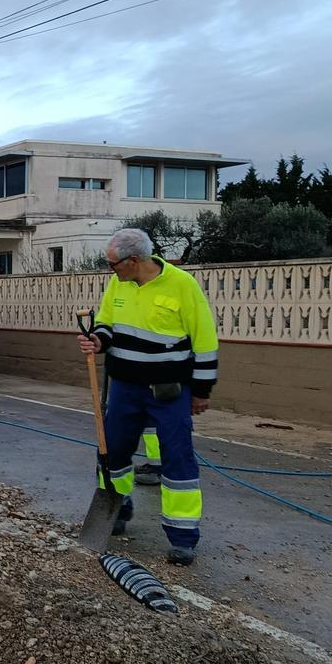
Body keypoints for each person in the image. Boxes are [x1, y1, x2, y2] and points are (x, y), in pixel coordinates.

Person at [77, 228, 218, 566]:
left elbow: (205, 340)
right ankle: (117, 511)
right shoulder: (119, 284)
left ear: (134, 260)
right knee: (112, 452)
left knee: (177, 458)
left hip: (169, 391)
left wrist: (201, 391)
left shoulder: (182, 285)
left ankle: (183, 537)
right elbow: (107, 324)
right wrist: (98, 340)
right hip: (125, 388)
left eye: (113, 264)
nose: (111, 270)